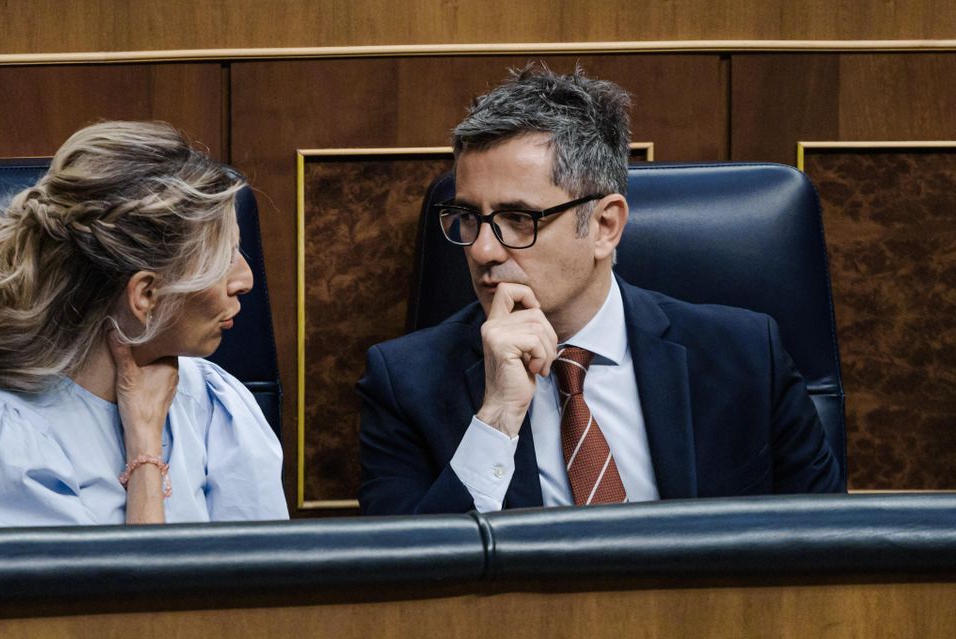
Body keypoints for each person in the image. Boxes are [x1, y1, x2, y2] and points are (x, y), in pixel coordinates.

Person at [357, 65, 844, 516]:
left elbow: (830, 548)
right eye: (468, 218)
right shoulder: (405, 384)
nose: (483, 249)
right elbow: (402, 585)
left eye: (517, 219)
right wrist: (498, 416)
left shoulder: (745, 357)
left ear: (606, 225)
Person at [0, 121, 289, 527]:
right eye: (223, 259)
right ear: (145, 295)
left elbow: (267, 587)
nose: (246, 279)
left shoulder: (216, 401)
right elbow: (129, 596)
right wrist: (145, 452)